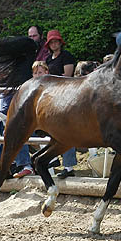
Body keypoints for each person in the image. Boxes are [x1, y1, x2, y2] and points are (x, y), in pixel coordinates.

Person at [44, 31, 77, 178]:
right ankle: (53, 158)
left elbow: (67, 76)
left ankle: (69, 167)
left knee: (66, 131)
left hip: (66, 93)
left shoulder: (67, 56)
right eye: (51, 42)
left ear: (60, 42)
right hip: (51, 95)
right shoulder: (47, 59)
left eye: (56, 41)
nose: (54, 44)